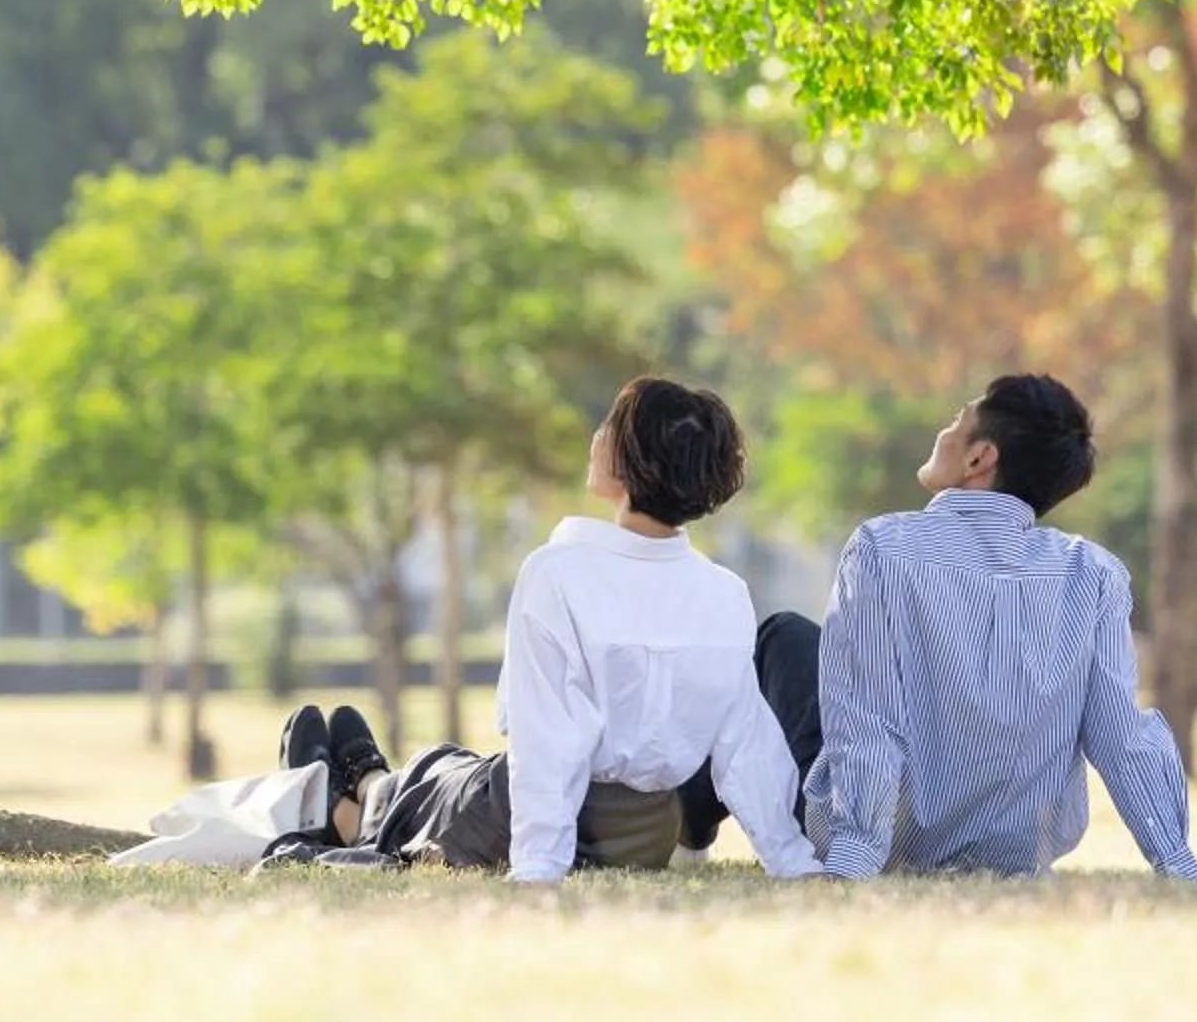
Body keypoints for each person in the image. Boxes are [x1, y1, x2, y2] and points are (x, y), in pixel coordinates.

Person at [268, 377, 821, 883]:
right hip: (648, 830)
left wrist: (539, 865)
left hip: (542, 816)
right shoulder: (723, 593)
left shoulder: (558, 573)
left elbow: (547, 735)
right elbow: (746, 745)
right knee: (454, 764)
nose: (596, 436)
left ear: (631, 461)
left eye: (608, 426)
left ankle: (346, 805)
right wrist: (791, 859)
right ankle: (363, 783)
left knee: (438, 781)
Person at [685, 374, 1197, 881]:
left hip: (889, 835)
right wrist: (1175, 861)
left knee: (784, 637)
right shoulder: (1093, 573)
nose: (944, 430)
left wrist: (857, 856)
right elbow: (1120, 736)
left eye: (958, 420)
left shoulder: (883, 548)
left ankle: (687, 825)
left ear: (980, 458)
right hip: (1019, 849)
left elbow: (867, 717)